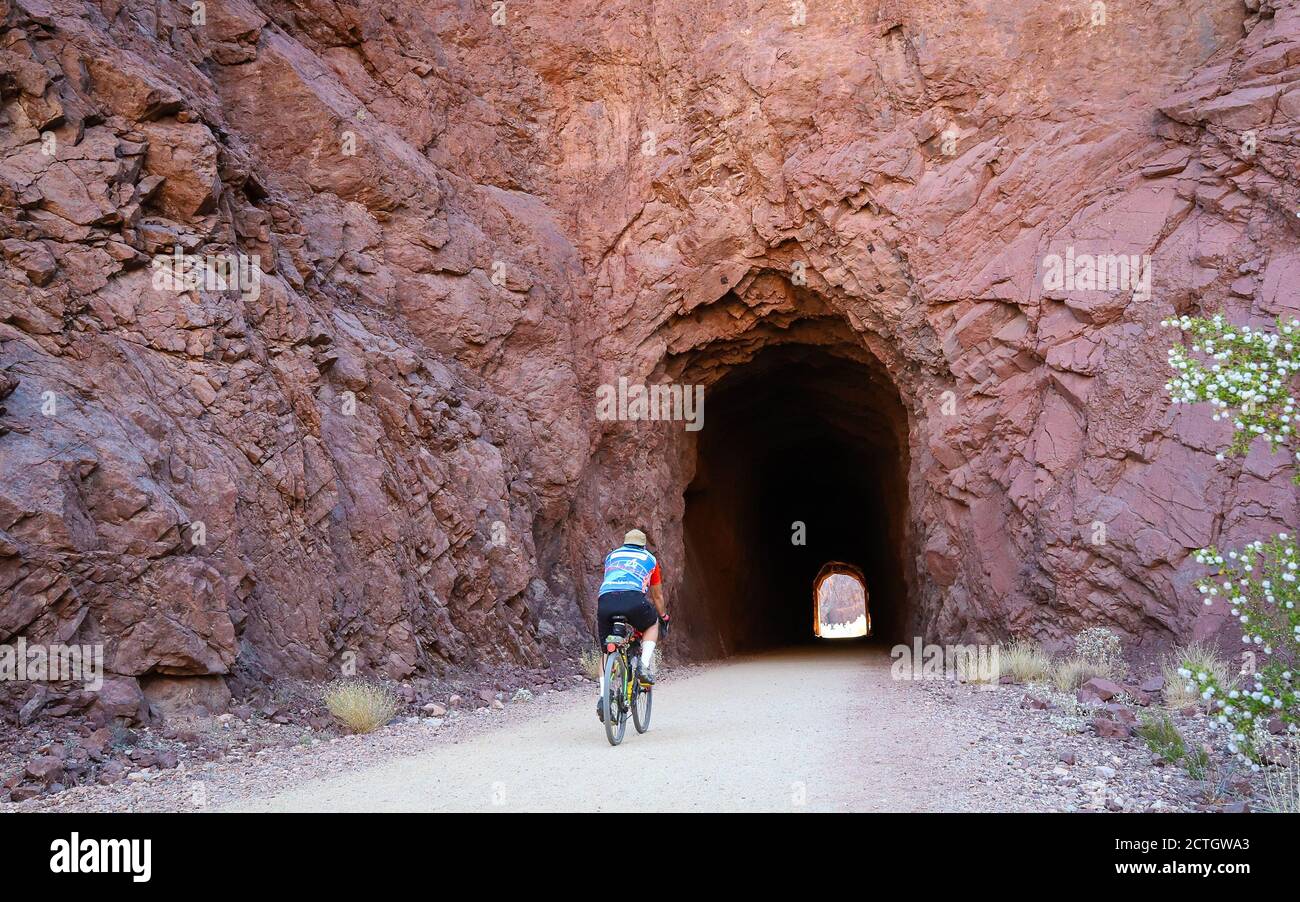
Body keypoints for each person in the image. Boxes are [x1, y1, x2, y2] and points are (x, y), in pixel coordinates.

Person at [595, 528, 669, 722]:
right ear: (643, 545)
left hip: (606, 601)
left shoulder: (612, 556)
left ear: (624, 542)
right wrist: (663, 616)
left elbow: (611, 580)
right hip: (633, 600)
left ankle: (604, 697)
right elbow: (657, 594)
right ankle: (643, 666)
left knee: (605, 651)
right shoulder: (649, 559)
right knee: (651, 624)